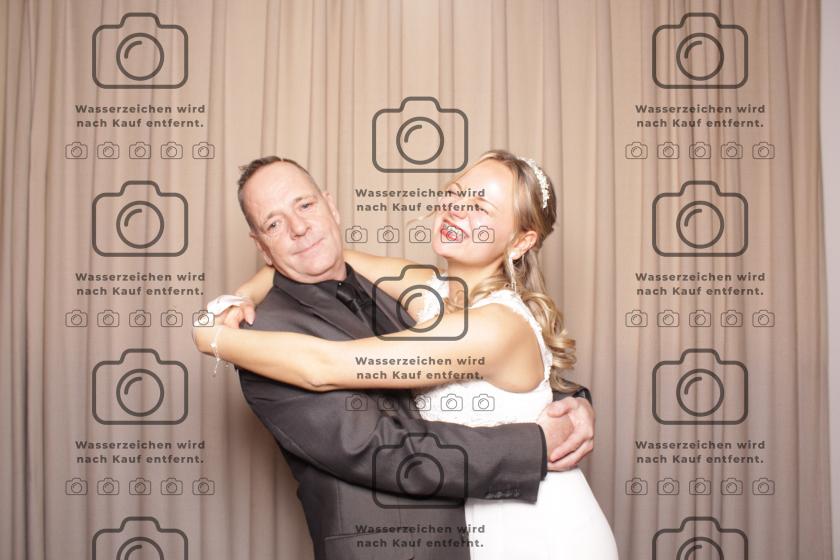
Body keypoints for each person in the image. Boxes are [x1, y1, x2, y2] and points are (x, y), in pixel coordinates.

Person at [197, 154, 608, 560]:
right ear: (262, 244)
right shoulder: (424, 290)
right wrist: (242, 295)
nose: (458, 210)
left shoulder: (492, 325)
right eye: (457, 194)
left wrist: (209, 337)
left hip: (541, 529)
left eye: (481, 207)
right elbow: (321, 250)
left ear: (520, 242)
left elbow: (323, 366)